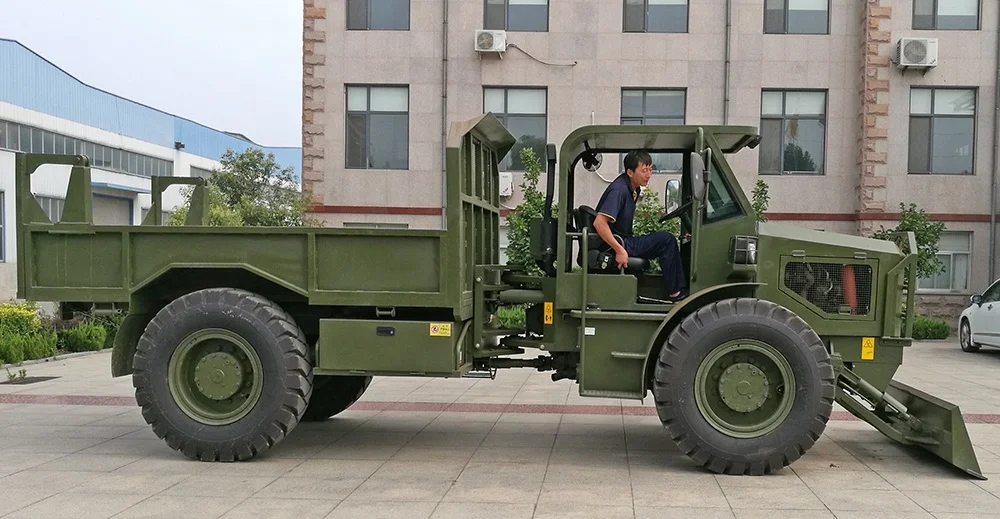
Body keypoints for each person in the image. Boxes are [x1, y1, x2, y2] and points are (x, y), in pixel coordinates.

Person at [593, 150, 687, 301]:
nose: (649, 174)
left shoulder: (633, 189)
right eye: (644, 171)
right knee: (667, 240)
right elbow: (599, 223)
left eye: (650, 169)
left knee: (663, 239)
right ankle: (676, 292)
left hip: (625, 240)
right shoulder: (619, 190)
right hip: (620, 243)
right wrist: (619, 250)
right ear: (630, 172)